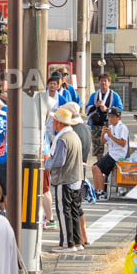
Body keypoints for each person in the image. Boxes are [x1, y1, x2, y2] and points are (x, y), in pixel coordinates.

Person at [45, 106, 84, 253]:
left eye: (55, 120)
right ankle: (77, 241)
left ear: (60, 123)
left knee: (64, 212)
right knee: (74, 211)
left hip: (65, 179)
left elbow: (58, 161)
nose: (53, 123)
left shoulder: (62, 138)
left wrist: (45, 162)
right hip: (76, 178)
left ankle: (67, 244)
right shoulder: (74, 135)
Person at [92, 106, 129, 200]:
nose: (110, 119)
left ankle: (102, 192)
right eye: (109, 116)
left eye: (113, 117)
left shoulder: (122, 127)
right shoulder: (111, 127)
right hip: (111, 153)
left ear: (119, 118)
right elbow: (103, 142)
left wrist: (111, 136)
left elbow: (123, 143)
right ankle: (96, 190)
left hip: (118, 155)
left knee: (97, 168)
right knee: (93, 167)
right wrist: (102, 133)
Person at [86, 73, 123, 159]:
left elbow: (120, 110)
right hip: (96, 125)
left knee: (113, 147)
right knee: (98, 150)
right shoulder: (94, 95)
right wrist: (95, 105)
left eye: (105, 81)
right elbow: (87, 108)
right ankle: (100, 165)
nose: (103, 83)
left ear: (109, 83)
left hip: (111, 126)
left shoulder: (114, 95)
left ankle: (110, 165)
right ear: (98, 82)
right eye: (101, 81)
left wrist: (107, 109)